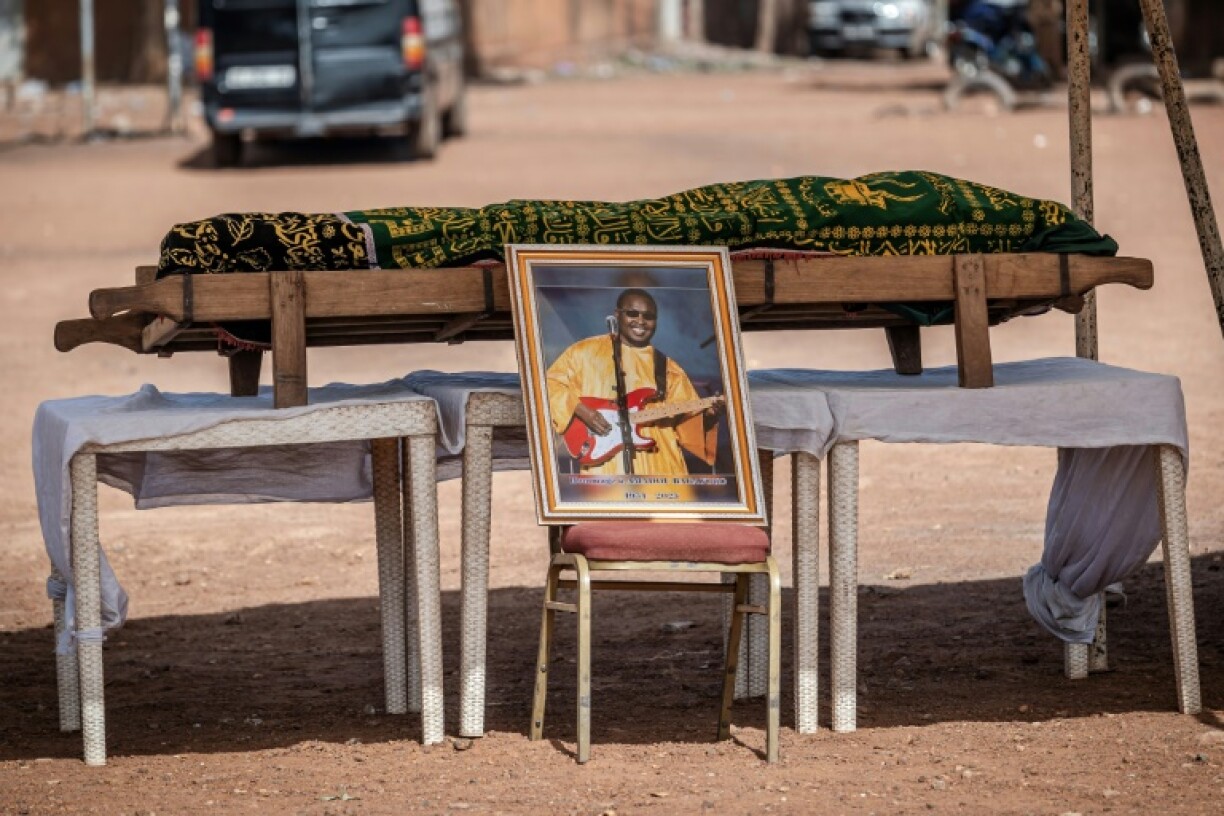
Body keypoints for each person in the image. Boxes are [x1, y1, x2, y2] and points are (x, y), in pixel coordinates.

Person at [545, 288, 724, 476]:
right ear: (617, 315)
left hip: (662, 467)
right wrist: (582, 410)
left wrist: (709, 415)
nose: (640, 321)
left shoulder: (669, 368)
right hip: (606, 469)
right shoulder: (583, 352)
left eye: (649, 316)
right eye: (632, 313)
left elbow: (687, 424)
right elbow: (548, 386)